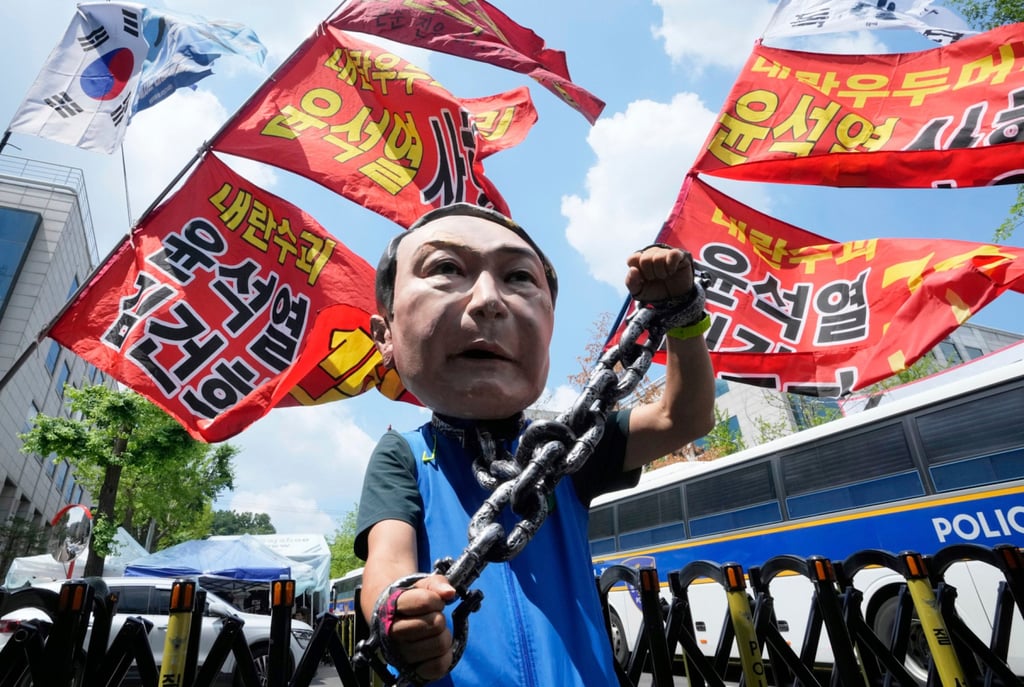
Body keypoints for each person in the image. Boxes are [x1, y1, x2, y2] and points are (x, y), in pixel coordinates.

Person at [355, 203, 715, 686]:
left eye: (519, 278)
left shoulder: (564, 448)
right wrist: (395, 605)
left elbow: (682, 416)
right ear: (385, 334)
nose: (488, 301)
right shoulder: (404, 455)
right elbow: (387, 561)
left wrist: (684, 319)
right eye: (445, 268)